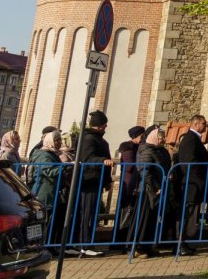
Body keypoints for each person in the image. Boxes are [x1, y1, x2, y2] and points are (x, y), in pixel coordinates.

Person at [74, 109, 114, 255]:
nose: (106, 127)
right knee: (87, 213)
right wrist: (103, 161)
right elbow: (87, 159)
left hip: (97, 181)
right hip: (88, 181)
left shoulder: (100, 140)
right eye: (104, 124)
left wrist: (107, 180)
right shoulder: (88, 139)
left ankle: (88, 242)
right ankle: (84, 244)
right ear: (99, 125)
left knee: (92, 213)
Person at [173, 114, 208, 254]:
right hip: (191, 183)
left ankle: (184, 242)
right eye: (204, 124)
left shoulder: (195, 139)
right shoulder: (190, 139)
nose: (206, 126)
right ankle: (179, 244)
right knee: (186, 214)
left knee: (190, 215)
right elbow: (190, 162)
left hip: (193, 182)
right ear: (195, 124)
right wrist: (199, 177)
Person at [134, 126, 170, 258]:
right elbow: (145, 171)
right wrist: (154, 188)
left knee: (153, 220)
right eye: (161, 138)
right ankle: (139, 247)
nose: (164, 140)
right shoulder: (147, 150)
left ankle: (148, 246)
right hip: (147, 191)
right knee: (144, 219)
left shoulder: (160, 150)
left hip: (158, 189)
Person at [31, 130, 66, 248]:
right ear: (49, 141)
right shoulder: (43, 154)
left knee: (52, 222)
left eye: (60, 140)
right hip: (44, 191)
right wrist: (66, 168)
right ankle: (41, 247)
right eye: (56, 140)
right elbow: (48, 171)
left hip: (51, 190)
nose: (59, 142)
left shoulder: (52, 153)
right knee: (45, 221)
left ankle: (50, 246)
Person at [114, 126, 145, 241]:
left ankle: (127, 239)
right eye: (142, 135)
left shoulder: (139, 147)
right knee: (125, 213)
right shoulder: (128, 148)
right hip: (129, 185)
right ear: (136, 136)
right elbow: (129, 167)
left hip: (134, 184)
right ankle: (121, 240)